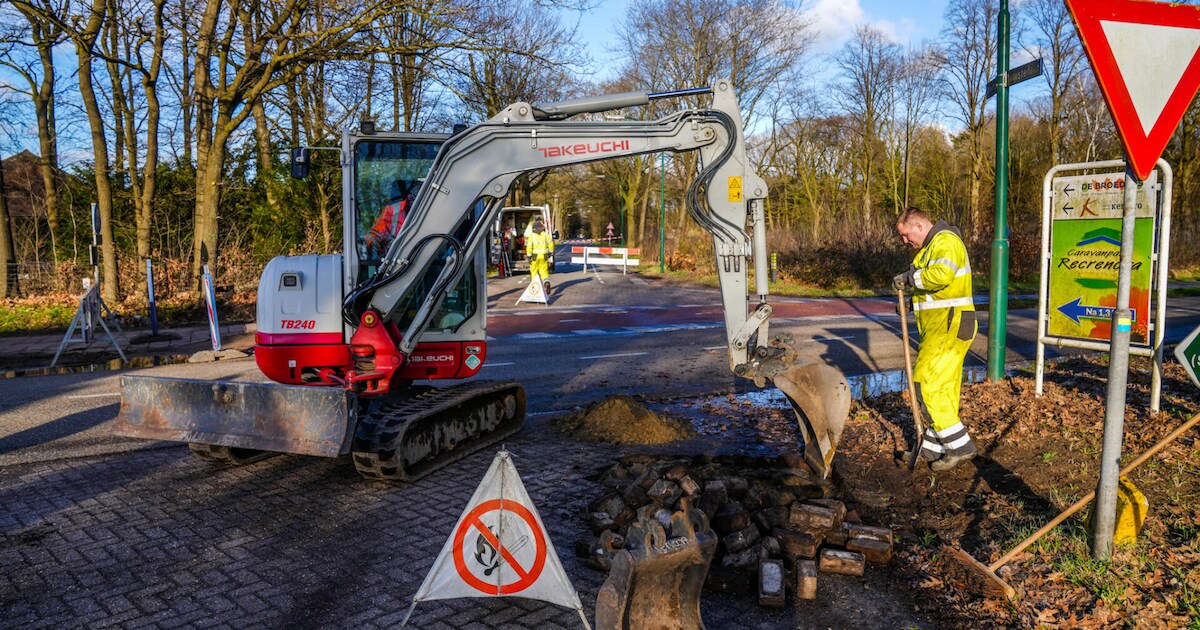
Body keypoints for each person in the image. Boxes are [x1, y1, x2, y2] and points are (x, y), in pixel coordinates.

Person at [893, 207, 978, 471]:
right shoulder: (932, 247)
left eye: (907, 235)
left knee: (925, 383)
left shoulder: (945, 241)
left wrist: (909, 278)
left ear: (918, 225)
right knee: (944, 389)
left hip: (949, 326)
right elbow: (938, 290)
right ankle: (932, 446)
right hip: (945, 324)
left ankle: (960, 445)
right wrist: (911, 303)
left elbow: (941, 276)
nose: (906, 241)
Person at [364, 180, 412, 256]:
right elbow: (374, 233)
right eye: (412, 195)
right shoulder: (392, 210)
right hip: (397, 259)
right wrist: (374, 240)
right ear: (408, 195)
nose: (414, 197)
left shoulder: (431, 209)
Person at [525, 219, 554, 290]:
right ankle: (546, 282)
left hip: (534, 256)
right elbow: (551, 244)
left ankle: (535, 288)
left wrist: (529, 256)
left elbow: (529, 247)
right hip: (544, 256)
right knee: (544, 271)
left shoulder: (532, 236)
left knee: (534, 271)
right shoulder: (545, 235)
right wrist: (550, 253)